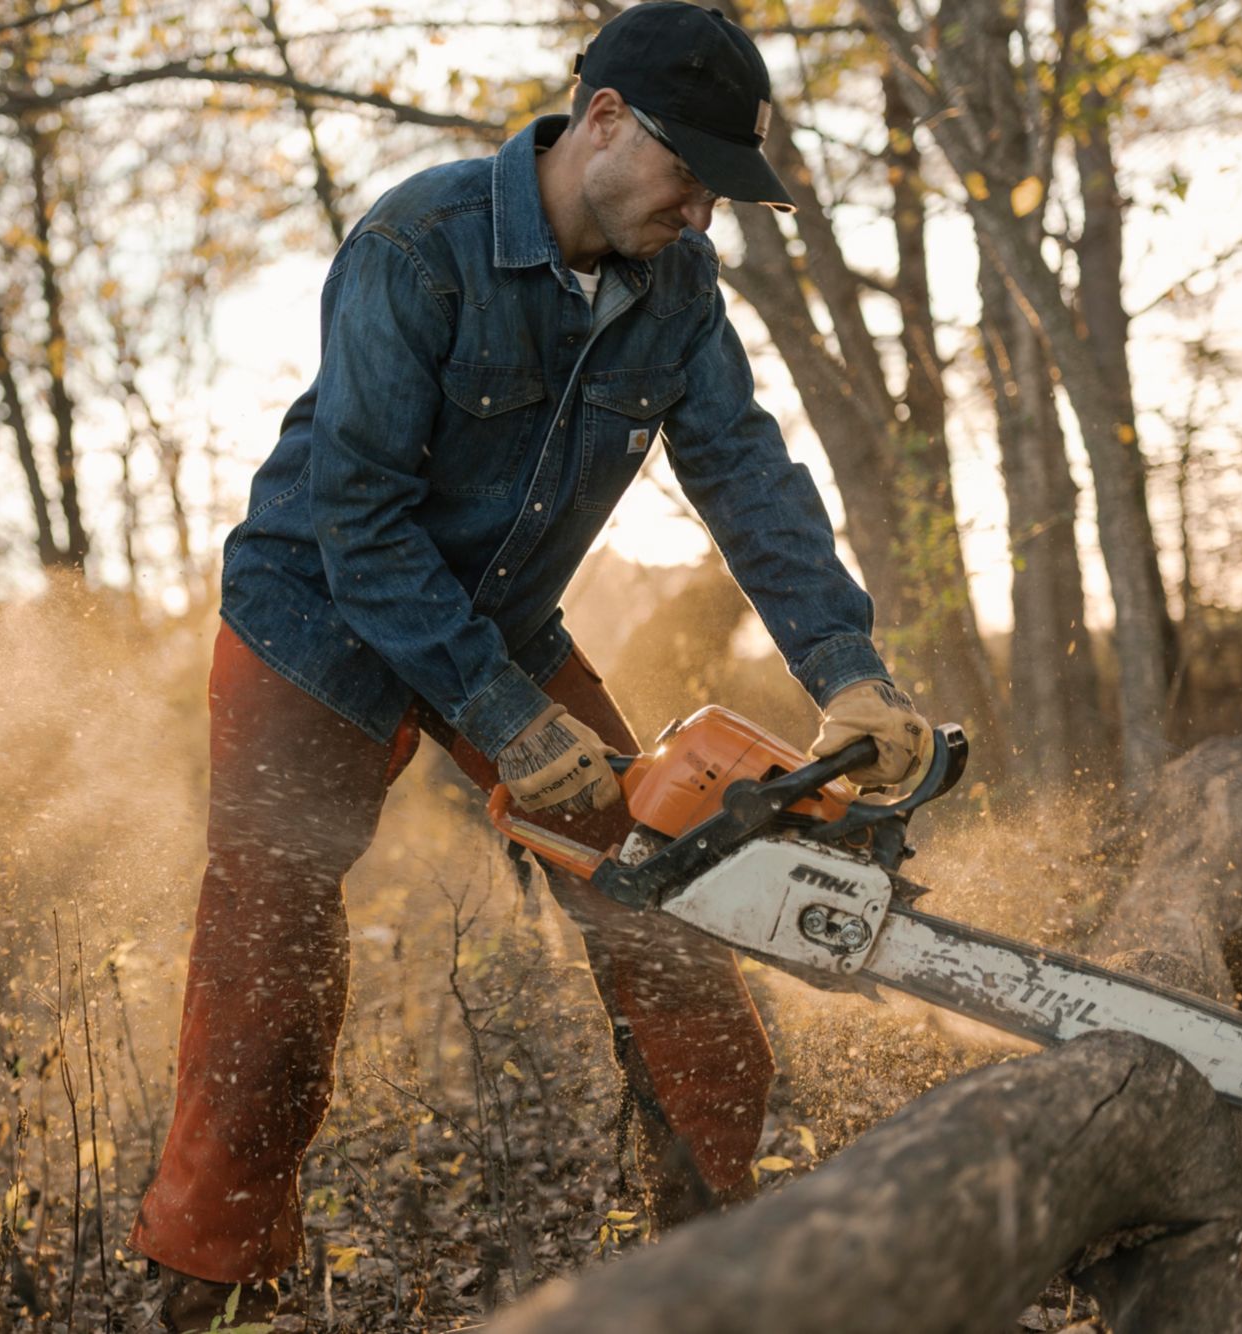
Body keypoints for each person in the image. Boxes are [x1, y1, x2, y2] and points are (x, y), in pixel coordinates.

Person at [130, 3, 932, 1329]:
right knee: (272, 950)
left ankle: (714, 1256)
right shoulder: (418, 244)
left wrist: (847, 668)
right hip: (317, 614)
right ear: (604, 121)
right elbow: (363, 524)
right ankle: (204, 1289)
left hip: (501, 618)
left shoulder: (678, 293)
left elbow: (747, 476)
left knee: (667, 888)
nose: (702, 217)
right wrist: (503, 716)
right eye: (692, 179)